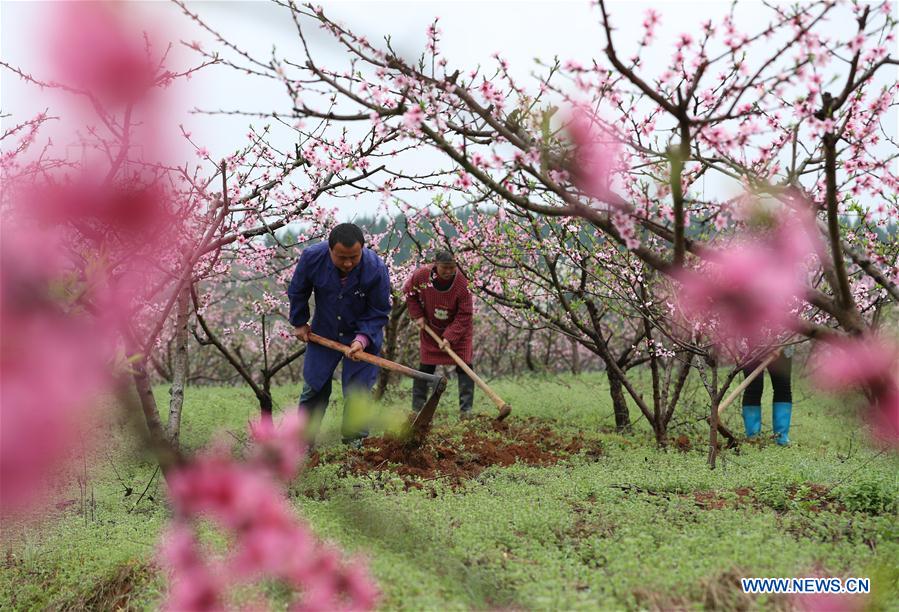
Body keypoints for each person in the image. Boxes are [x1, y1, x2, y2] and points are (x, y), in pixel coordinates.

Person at [288, 223, 391, 446]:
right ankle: (302, 444)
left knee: (358, 391)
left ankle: (354, 445)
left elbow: (379, 310)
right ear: (330, 250)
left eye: (353, 257)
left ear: (362, 249)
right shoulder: (312, 258)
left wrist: (362, 339)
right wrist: (299, 322)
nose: (347, 263)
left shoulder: (375, 268)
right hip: (324, 331)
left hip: (364, 336)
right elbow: (298, 290)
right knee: (314, 386)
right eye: (341, 257)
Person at [403, 250, 475, 419]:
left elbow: (465, 314)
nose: (449, 271)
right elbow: (409, 293)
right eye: (445, 268)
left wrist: (450, 337)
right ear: (435, 265)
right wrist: (417, 315)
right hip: (431, 328)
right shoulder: (421, 276)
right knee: (426, 366)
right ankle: (417, 410)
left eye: (452, 267)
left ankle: (466, 412)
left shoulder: (462, 282)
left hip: (459, 330)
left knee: (465, 366)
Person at [741, 352, 793, 445]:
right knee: (753, 388)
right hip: (750, 343)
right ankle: (753, 438)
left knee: (782, 387)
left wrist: (779, 342)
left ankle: (781, 438)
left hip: (782, 343)